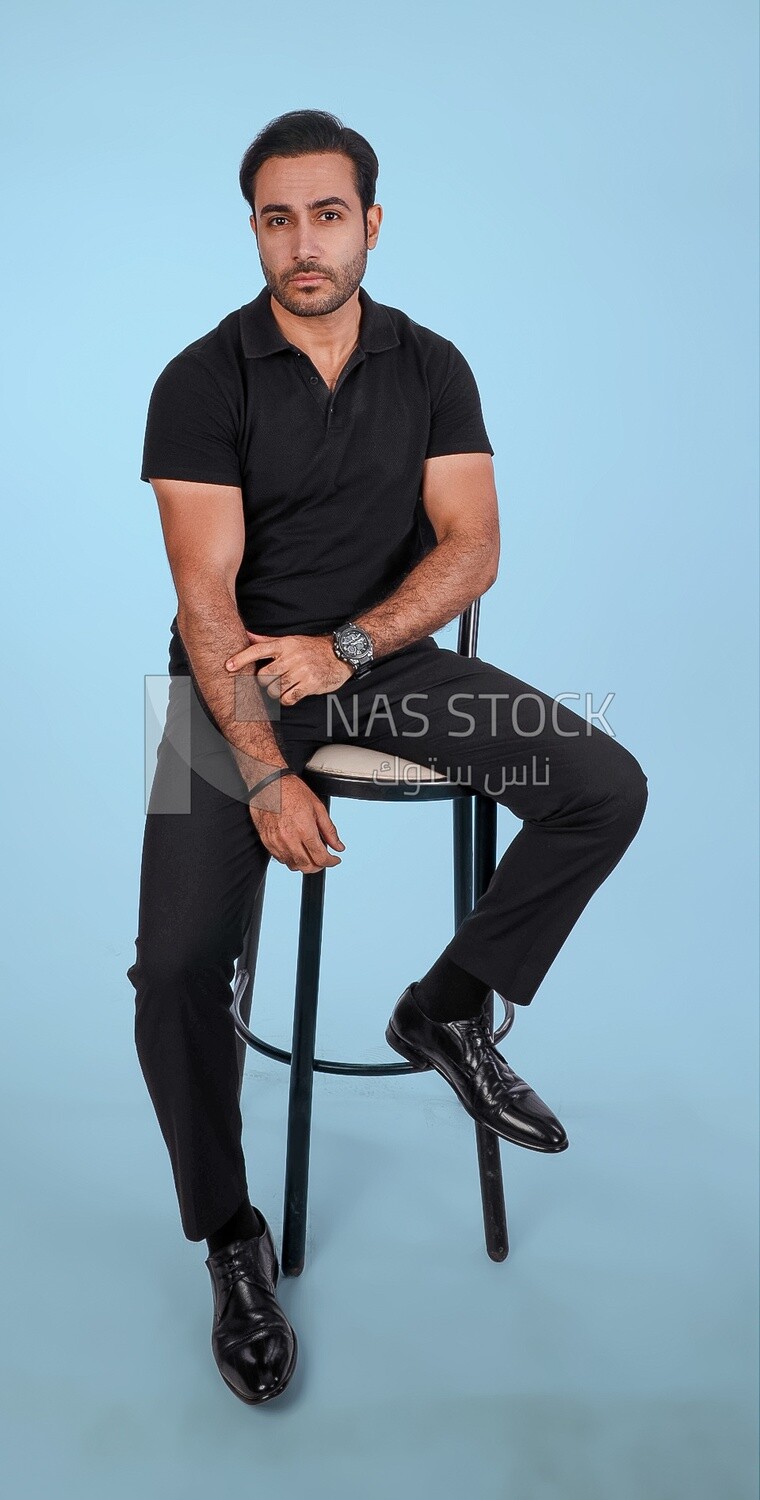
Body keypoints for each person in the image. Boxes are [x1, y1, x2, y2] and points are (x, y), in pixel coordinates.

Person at [126, 108, 648, 1406]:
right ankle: (231, 1241)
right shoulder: (202, 379)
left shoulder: (433, 364)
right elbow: (204, 599)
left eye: (328, 212)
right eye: (277, 215)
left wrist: (353, 647)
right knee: (178, 967)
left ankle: (447, 1006)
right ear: (253, 226)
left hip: (383, 664)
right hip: (226, 687)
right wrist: (261, 772)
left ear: (370, 219)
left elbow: (471, 543)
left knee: (603, 785)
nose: (304, 241)